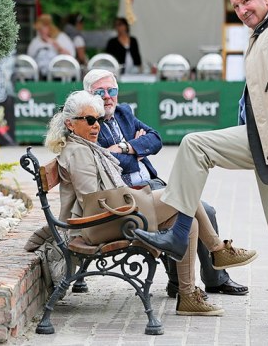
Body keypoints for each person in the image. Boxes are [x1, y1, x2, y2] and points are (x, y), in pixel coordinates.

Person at [134, 0, 268, 334]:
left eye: (247, 2)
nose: (242, 11)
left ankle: (180, 232)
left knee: (195, 145)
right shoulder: (265, 30)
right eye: (237, 6)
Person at [44, 89, 257, 316]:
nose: (96, 125)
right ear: (70, 123)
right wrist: (134, 198)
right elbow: (93, 200)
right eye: (89, 120)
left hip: (114, 214)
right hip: (100, 224)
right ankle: (217, 249)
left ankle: (187, 296)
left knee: (186, 221)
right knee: (184, 193)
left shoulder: (85, 146)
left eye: (97, 119)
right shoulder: (78, 151)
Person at [83, 68, 249, 296]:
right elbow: (106, 161)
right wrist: (135, 151)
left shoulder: (123, 113)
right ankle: (182, 279)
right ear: (88, 95)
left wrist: (125, 147)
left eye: (112, 90)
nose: (107, 96)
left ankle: (216, 279)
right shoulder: (89, 124)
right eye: (100, 91)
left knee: (204, 209)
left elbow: (156, 139)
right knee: (188, 205)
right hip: (129, 197)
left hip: (152, 185)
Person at [27, 14, 76, 78]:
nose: (40, 32)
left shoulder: (62, 37)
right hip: (41, 77)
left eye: (42, 29)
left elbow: (70, 57)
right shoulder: (35, 41)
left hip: (60, 76)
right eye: (39, 30)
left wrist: (56, 45)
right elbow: (30, 61)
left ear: (49, 27)